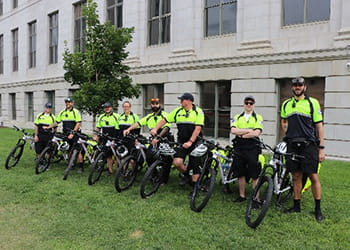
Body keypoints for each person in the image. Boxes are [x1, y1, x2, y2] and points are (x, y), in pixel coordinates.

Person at [280, 77, 325, 221]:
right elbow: (283, 120)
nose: (297, 87)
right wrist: (287, 131)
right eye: (295, 85)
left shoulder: (313, 103)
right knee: (296, 176)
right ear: (292, 88)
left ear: (304, 87)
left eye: (300, 85)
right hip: (293, 145)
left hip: (309, 145)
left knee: (313, 176)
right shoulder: (286, 104)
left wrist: (321, 148)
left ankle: (318, 209)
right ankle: (296, 205)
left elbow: (319, 126)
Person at [150, 92, 205, 191]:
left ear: (188, 101)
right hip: (181, 141)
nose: (180, 102)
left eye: (182, 100)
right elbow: (165, 120)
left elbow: (198, 128)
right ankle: (187, 175)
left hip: (195, 141)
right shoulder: (178, 111)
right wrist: (155, 128)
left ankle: (195, 187)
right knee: (177, 162)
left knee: (195, 165)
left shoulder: (198, 112)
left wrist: (190, 142)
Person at [230, 95, 263, 202]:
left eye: (251, 103)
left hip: (252, 146)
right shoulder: (237, 117)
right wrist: (248, 130)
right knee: (240, 172)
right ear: (243, 104)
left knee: (254, 173)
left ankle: (256, 198)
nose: (248, 105)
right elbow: (233, 131)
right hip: (239, 146)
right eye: (247, 103)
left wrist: (242, 133)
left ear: (254, 105)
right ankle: (242, 196)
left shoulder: (258, 117)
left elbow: (257, 132)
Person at [56, 97, 84, 173]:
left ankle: (81, 166)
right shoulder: (62, 112)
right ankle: (71, 164)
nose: (68, 103)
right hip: (66, 133)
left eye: (69, 102)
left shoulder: (76, 112)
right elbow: (57, 122)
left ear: (72, 103)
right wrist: (49, 127)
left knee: (78, 150)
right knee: (68, 149)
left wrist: (73, 133)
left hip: (75, 134)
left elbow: (78, 123)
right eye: (66, 102)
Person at [95, 102, 120, 174]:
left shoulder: (117, 116)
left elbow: (119, 129)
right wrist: (96, 135)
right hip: (105, 137)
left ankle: (120, 170)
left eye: (108, 107)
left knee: (116, 155)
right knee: (108, 155)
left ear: (111, 108)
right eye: (105, 107)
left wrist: (115, 140)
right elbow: (98, 127)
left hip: (115, 137)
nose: (107, 109)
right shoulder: (101, 117)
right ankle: (110, 170)